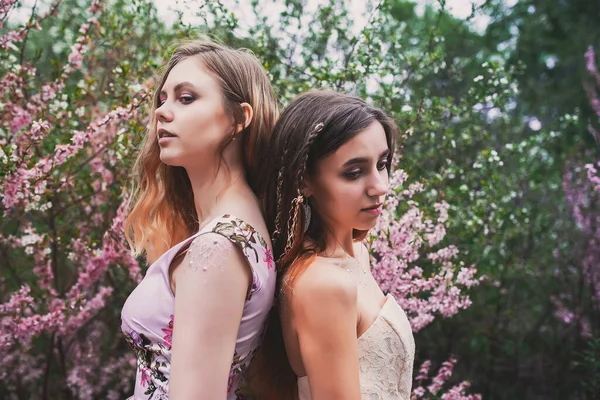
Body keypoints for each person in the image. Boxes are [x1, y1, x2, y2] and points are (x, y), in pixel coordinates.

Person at [120, 39, 278, 399]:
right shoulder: (230, 231)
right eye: (162, 100)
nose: (161, 112)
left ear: (240, 118)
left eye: (186, 98)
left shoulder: (218, 247)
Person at [255, 90, 415, 399]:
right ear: (304, 181)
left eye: (381, 164)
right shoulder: (323, 284)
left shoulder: (358, 256)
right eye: (354, 173)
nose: (380, 187)